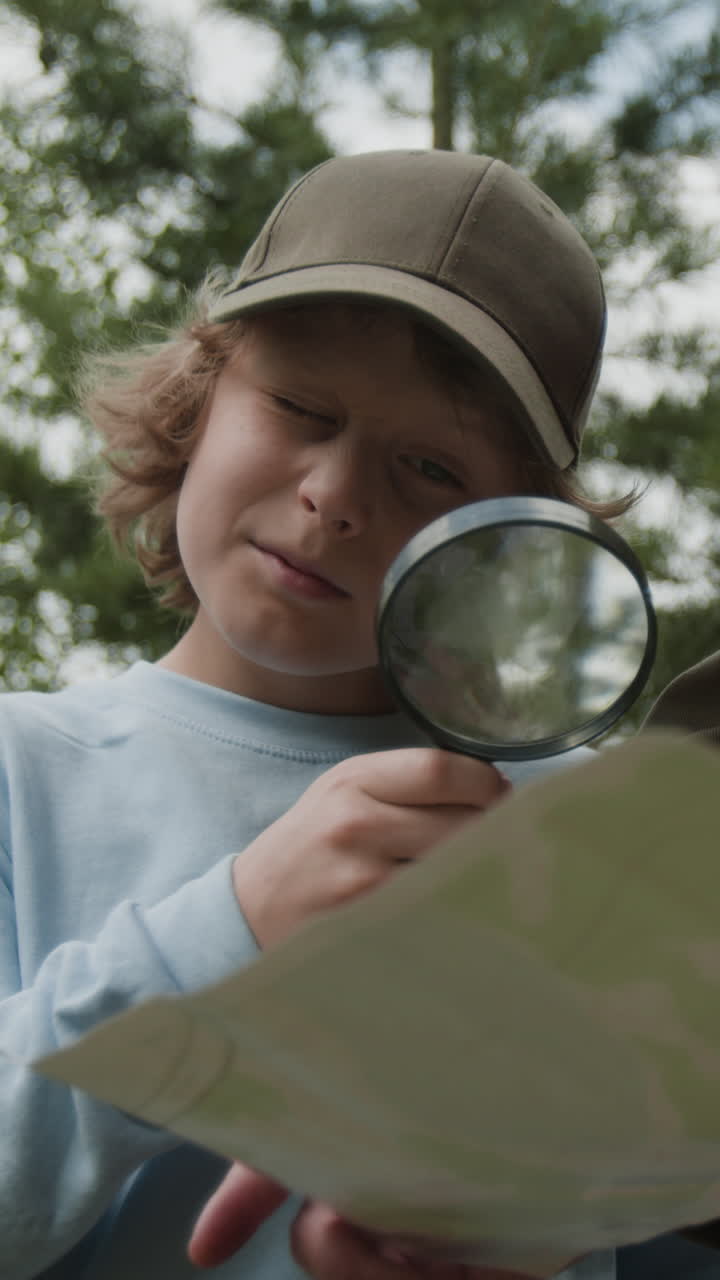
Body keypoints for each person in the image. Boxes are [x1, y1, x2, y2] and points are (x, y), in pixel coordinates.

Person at [0, 148, 632, 1280]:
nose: (335, 497)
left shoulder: (589, 840)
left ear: (512, 542)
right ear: (198, 399)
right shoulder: (19, 772)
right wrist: (229, 929)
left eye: (431, 465)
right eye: (301, 406)